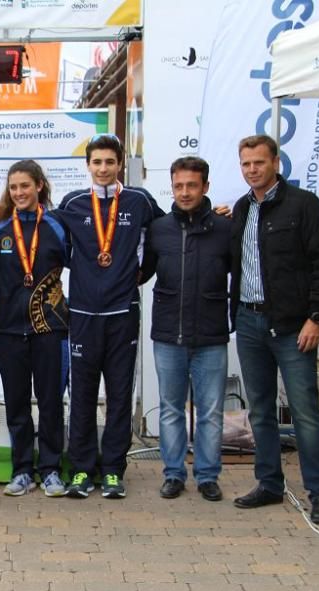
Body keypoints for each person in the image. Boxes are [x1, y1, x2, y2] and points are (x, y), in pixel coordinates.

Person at [230, 134, 319, 524]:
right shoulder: (243, 210)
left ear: (276, 163)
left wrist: (316, 316)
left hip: (294, 325)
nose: (252, 170)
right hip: (249, 322)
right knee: (260, 411)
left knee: (304, 411)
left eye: (259, 163)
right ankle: (269, 483)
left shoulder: (303, 206)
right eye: (246, 164)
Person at [59, 134, 165, 500]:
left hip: (122, 312)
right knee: (84, 396)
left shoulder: (139, 201)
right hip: (84, 313)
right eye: (96, 162)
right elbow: (47, 238)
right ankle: (82, 470)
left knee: (120, 395)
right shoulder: (72, 203)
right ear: (88, 165)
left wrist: (142, 273)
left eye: (109, 162)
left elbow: (164, 236)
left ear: (120, 163)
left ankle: (114, 470)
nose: (103, 169)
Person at [140, 157, 230, 502]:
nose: (185, 192)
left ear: (205, 187)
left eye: (192, 185)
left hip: (210, 336)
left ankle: (207, 476)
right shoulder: (159, 228)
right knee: (171, 408)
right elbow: (141, 272)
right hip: (168, 335)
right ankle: (174, 474)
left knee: (209, 412)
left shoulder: (225, 228)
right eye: (178, 186)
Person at [0, 160, 70, 497]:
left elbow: (75, 260)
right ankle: (22, 469)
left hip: (49, 326)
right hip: (8, 328)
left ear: (39, 186)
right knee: (16, 402)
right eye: (13, 187)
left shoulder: (57, 225)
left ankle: (50, 469)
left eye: (25, 185)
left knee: (50, 400)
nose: (19, 192)